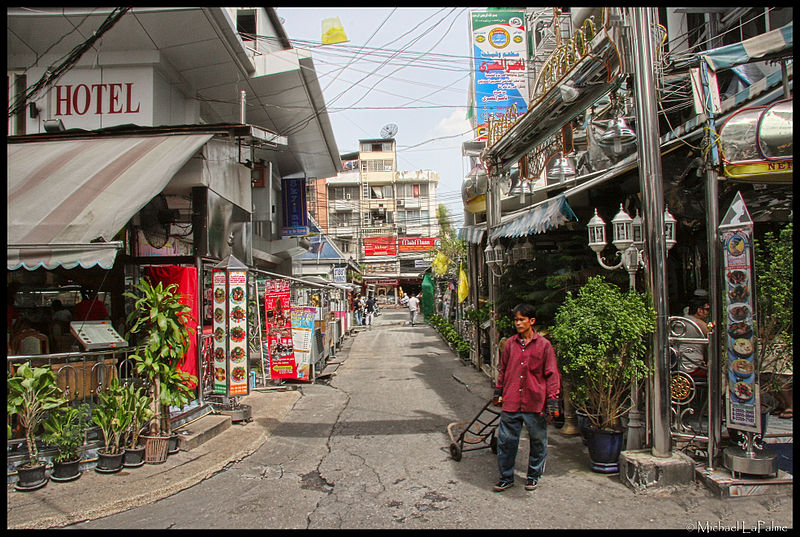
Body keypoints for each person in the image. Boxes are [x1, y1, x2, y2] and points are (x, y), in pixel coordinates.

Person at [492, 303, 561, 492]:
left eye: (522, 320)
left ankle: (533, 476)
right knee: (506, 442)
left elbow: (552, 374)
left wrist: (552, 401)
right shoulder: (509, 345)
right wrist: (499, 392)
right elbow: (504, 370)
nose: (518, 323)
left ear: (532, 321)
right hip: (512, 401)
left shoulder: (544, 346)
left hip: (535, 402)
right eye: (516, 320)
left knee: (538, 441)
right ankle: (506, 477)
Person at [682, 297, 710, 379]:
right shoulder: (698, 323)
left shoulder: (682, 320)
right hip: (694, 367)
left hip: (680, 364)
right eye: (707, 310)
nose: (708, 313)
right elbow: (712, 335)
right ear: (700, 311)